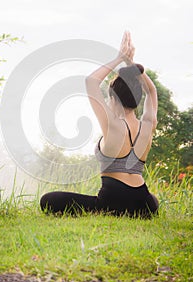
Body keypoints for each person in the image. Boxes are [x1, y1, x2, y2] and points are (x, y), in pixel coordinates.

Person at [40, 31, 159, 218]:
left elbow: (91, 81)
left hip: (112, 203)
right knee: (153, 200)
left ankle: (113, 210)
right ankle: (142, 209)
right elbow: (151, 91)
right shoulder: (148, 124)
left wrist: (119, 58)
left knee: (49, 200)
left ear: (113, 98)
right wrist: (131, 65)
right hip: (142, 203)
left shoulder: (113, 124)